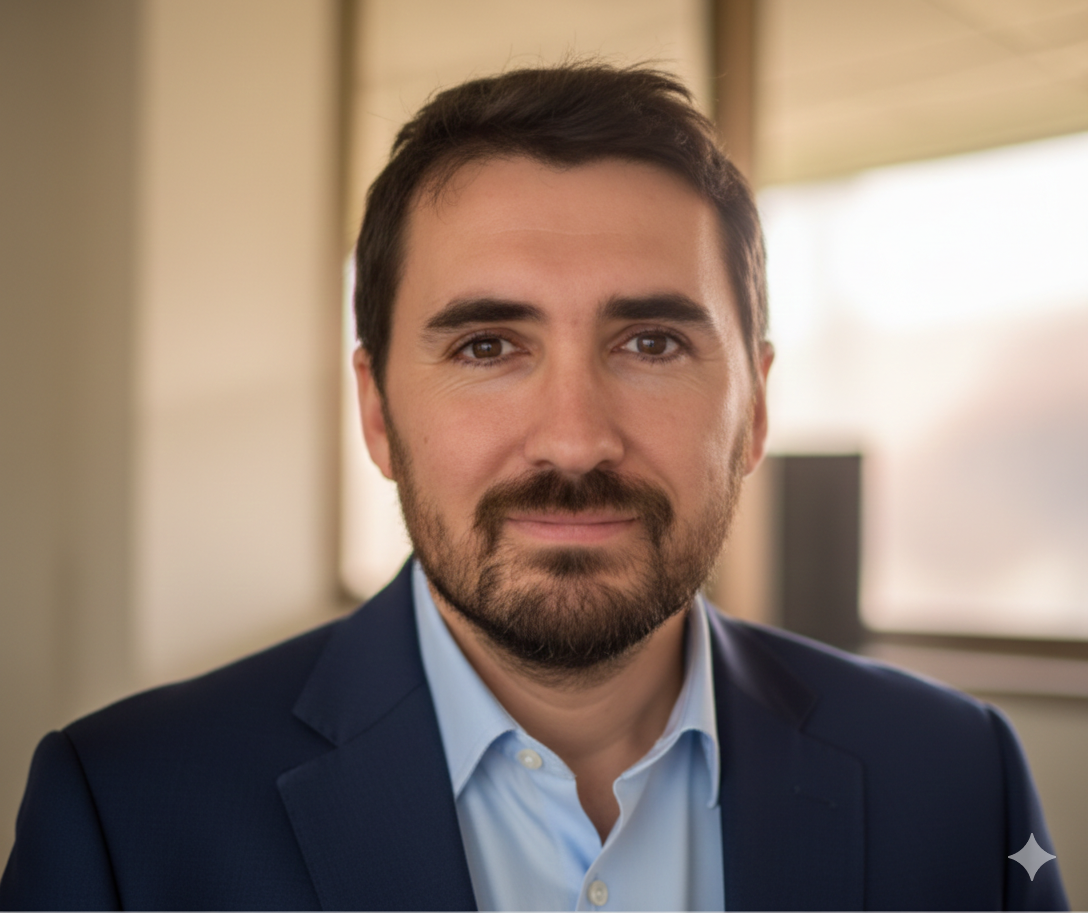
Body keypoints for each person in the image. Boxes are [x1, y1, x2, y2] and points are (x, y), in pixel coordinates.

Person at [0, 62, 1068, 912]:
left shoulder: (952, 778)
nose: (572, 439)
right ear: (375, 412)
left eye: (649, 341)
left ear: (753, 410)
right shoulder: (128, 817)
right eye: (485, 347)